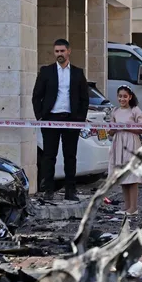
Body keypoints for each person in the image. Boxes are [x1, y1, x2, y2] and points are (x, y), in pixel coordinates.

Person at [32, 38, 90, 201]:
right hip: (51, 118)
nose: (59, 54)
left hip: (71, 119)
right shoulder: (46, 71)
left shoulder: (77, 73)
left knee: (70, 156)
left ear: (69, 51)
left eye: (62, 51)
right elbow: (37, 96)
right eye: (57, 51)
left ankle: (70, 191)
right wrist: (41, 117)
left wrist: (80, 118)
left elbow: (84, 98)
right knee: (49, 156)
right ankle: (48, 190)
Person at [108, 85, 142, 216]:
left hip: (131, 144)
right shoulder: (115, 111)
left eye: (125, 96)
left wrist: (126, 127)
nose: (122, 99)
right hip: (118, 144)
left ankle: (134, 207)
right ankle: (127, 206)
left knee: (132, 176)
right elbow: (111, 131)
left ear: (130, 97)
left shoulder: (135, 110)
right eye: (120, 96)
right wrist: (113, 129)